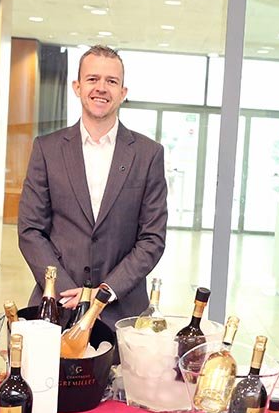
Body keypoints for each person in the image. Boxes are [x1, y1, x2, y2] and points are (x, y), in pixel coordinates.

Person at [18, 45, 167, 328]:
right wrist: (65, 290)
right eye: (92, 79)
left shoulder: (148, 154)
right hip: (56, 306)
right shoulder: (47, 149)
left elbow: (152, 238)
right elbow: (30, 230)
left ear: (123, 92)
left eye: (111, 81)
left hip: (121, 312)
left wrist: (105, 292)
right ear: (77, 87)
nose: (101, 88)